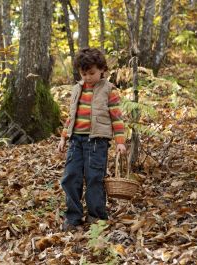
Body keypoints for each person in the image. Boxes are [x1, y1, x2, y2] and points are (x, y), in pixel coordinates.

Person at [57, 47, 126, 231]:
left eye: (91, 73)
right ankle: (73, 217)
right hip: (76, 141)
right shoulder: (77, 89)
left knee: (95, 178)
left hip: (97, 142)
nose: (87, 77)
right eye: (83, 73)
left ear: (102, 69)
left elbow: (116, 118)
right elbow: (71, 116)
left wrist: (120, 142)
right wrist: (64, 137)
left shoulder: (109, 90)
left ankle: (96, 217)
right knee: (70, 177)